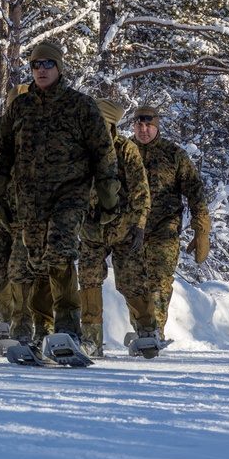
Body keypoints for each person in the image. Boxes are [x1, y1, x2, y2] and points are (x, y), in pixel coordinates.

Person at [0, 41, 119, 348]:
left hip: (70, 193)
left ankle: (68, 326)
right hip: (30, 198)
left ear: (59, 68)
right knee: (37, 259)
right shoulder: (20, 107)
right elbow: (2, 149)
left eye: (48, 64)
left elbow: (103, 151)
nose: (41, 70)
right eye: (36, 65)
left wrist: (107, 195)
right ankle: (43, 329)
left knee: (59, 249)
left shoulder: (81, 106)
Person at [0, 85, 53, 343]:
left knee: (22, 271)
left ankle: (24, 324)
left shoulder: (44, 134)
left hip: (28, 219)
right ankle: (9, 317)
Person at [77, 99, 153, 357]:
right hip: (90, 230)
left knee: (131, 282)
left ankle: (147, 330)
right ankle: (91, 339)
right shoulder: (81, 149)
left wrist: (139, 226)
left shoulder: (127, 150)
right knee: (88, 280)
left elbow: (142, 192)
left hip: (124, 230)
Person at [132, 105, 211, 341]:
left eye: (148, 125)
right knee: (134, 283)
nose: (143, 130)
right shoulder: (123, 151)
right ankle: (141, 330)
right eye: (139, 125)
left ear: (156, 127)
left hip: (163, 230)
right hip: (131, 229)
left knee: (158, 281)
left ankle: (154, 331)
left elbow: (195, 192)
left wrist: (202, 230)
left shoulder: (173, 154)